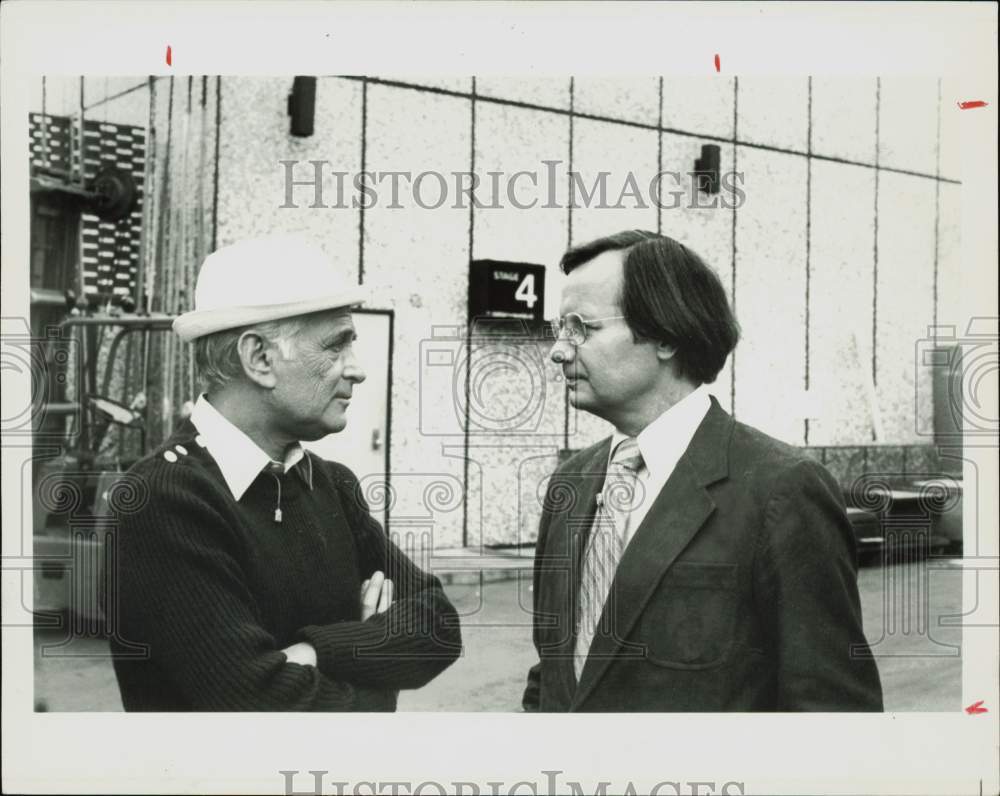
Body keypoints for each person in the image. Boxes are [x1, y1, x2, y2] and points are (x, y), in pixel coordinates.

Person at [522, 230, 883, 712]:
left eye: (582, 327)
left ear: (666, 335)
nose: (559, 350)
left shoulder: (781, 489)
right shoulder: (571, 484)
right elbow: (553, 672)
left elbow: (832, 711)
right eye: (559, 329)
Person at [104, 235, 461, 711]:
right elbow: (259, 705)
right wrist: (375, 657)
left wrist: (315, 652)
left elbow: (438, 625)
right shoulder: (163, 501)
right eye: (336, 346)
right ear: (260, 359)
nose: (357, 370)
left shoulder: (330, 484)